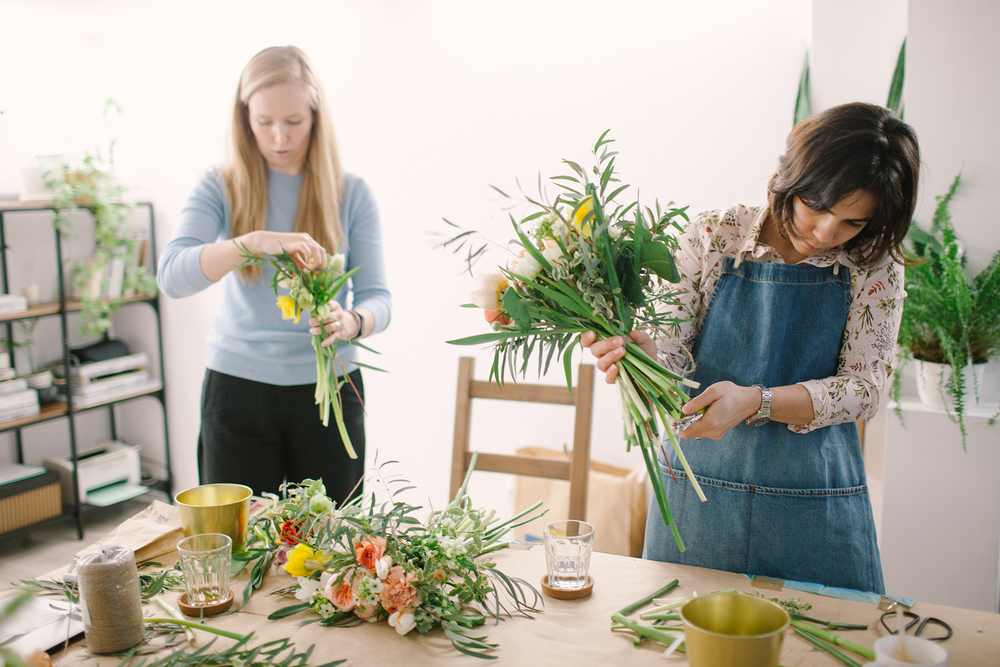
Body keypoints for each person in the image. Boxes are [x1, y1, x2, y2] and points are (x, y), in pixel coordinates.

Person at [582, 102, 920, 594]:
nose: (826, 233)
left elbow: (865, 388)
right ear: (789, 178)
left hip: (815, 502)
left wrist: (755, 401)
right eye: (818, 207)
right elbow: (673, 357)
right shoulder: (714, 235)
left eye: (852, 222)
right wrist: (644, 360)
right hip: (697, 495)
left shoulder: (873, 265)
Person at [159, 46, 390, 502]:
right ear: (244, 117)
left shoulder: (351, 193)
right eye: (264, 122)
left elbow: (379, 298)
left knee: (331, 553)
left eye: (294, 122)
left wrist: (351, 322)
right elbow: (172, 275)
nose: (280, 137)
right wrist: (251, 243)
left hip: (330, 396)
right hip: (237, 395)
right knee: (244, 551)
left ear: (315, 118)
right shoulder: (219, 186)